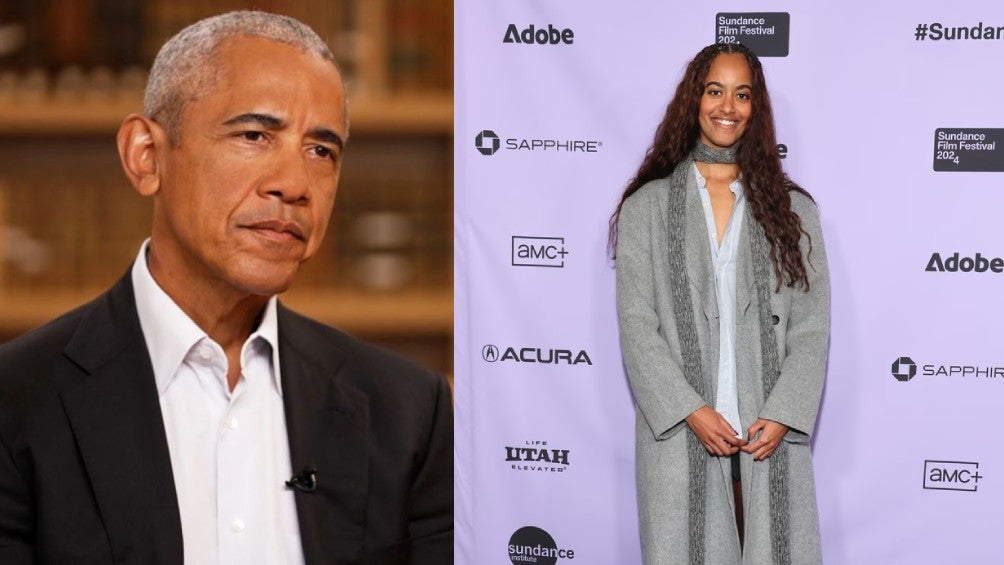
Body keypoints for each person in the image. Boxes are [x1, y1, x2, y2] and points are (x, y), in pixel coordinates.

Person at [0, 11, 452, 565]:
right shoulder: (17, 403)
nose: (294, 185)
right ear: (146, 156)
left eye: (321, 151)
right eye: (254, 135)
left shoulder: (408, 413)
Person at [611, 43, 829, 565]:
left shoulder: (792, 210)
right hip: (682, 433)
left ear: (756, 108)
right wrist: (690, 410)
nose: (727, 106)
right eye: (715, 91)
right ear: (694, 99)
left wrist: (783, 414)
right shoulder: (646, 207)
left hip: (767, 436)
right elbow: (638, 325)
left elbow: (811, 326)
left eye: (742, 94)